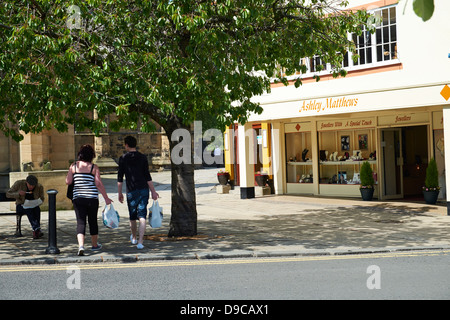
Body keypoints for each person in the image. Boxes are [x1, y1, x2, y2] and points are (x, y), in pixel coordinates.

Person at [66, 144, 112, 256]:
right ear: (91, 155)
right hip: (92, 198)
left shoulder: (74, 166)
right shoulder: (94, 167)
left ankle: (81, 246)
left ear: (80, 154)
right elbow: (98, 184)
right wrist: (106, 198)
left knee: (80, 222)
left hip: (78, 198)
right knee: (92, 221)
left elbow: (68, 181)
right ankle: (94, 245)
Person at [117, 136, 159, 249]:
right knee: (142, 216)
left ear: (126, 145)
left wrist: (119, 193)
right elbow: (148, 176)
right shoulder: (143, 157)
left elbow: (120, 178)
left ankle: (134, 238)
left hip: (131, 191)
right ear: (135, 144)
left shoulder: (123, 158)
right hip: (144, 190)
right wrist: (153, 191)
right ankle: (140, 242)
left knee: (132, 216)